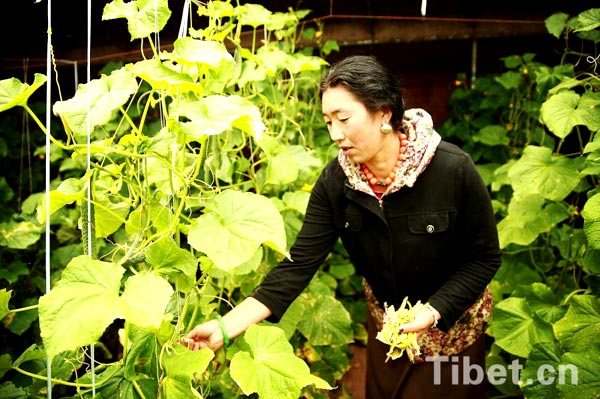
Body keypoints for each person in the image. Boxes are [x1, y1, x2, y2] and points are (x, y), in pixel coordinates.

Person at [184, 55, 502, 398]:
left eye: (344, 119)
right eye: (328, 122)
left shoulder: (452, 170)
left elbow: (484, 259)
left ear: (383, 113)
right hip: (388, 332)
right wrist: (224, 327)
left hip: (451, 333)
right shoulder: (336, 183)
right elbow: (299, 265)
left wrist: (434, 311)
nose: (336, 134)